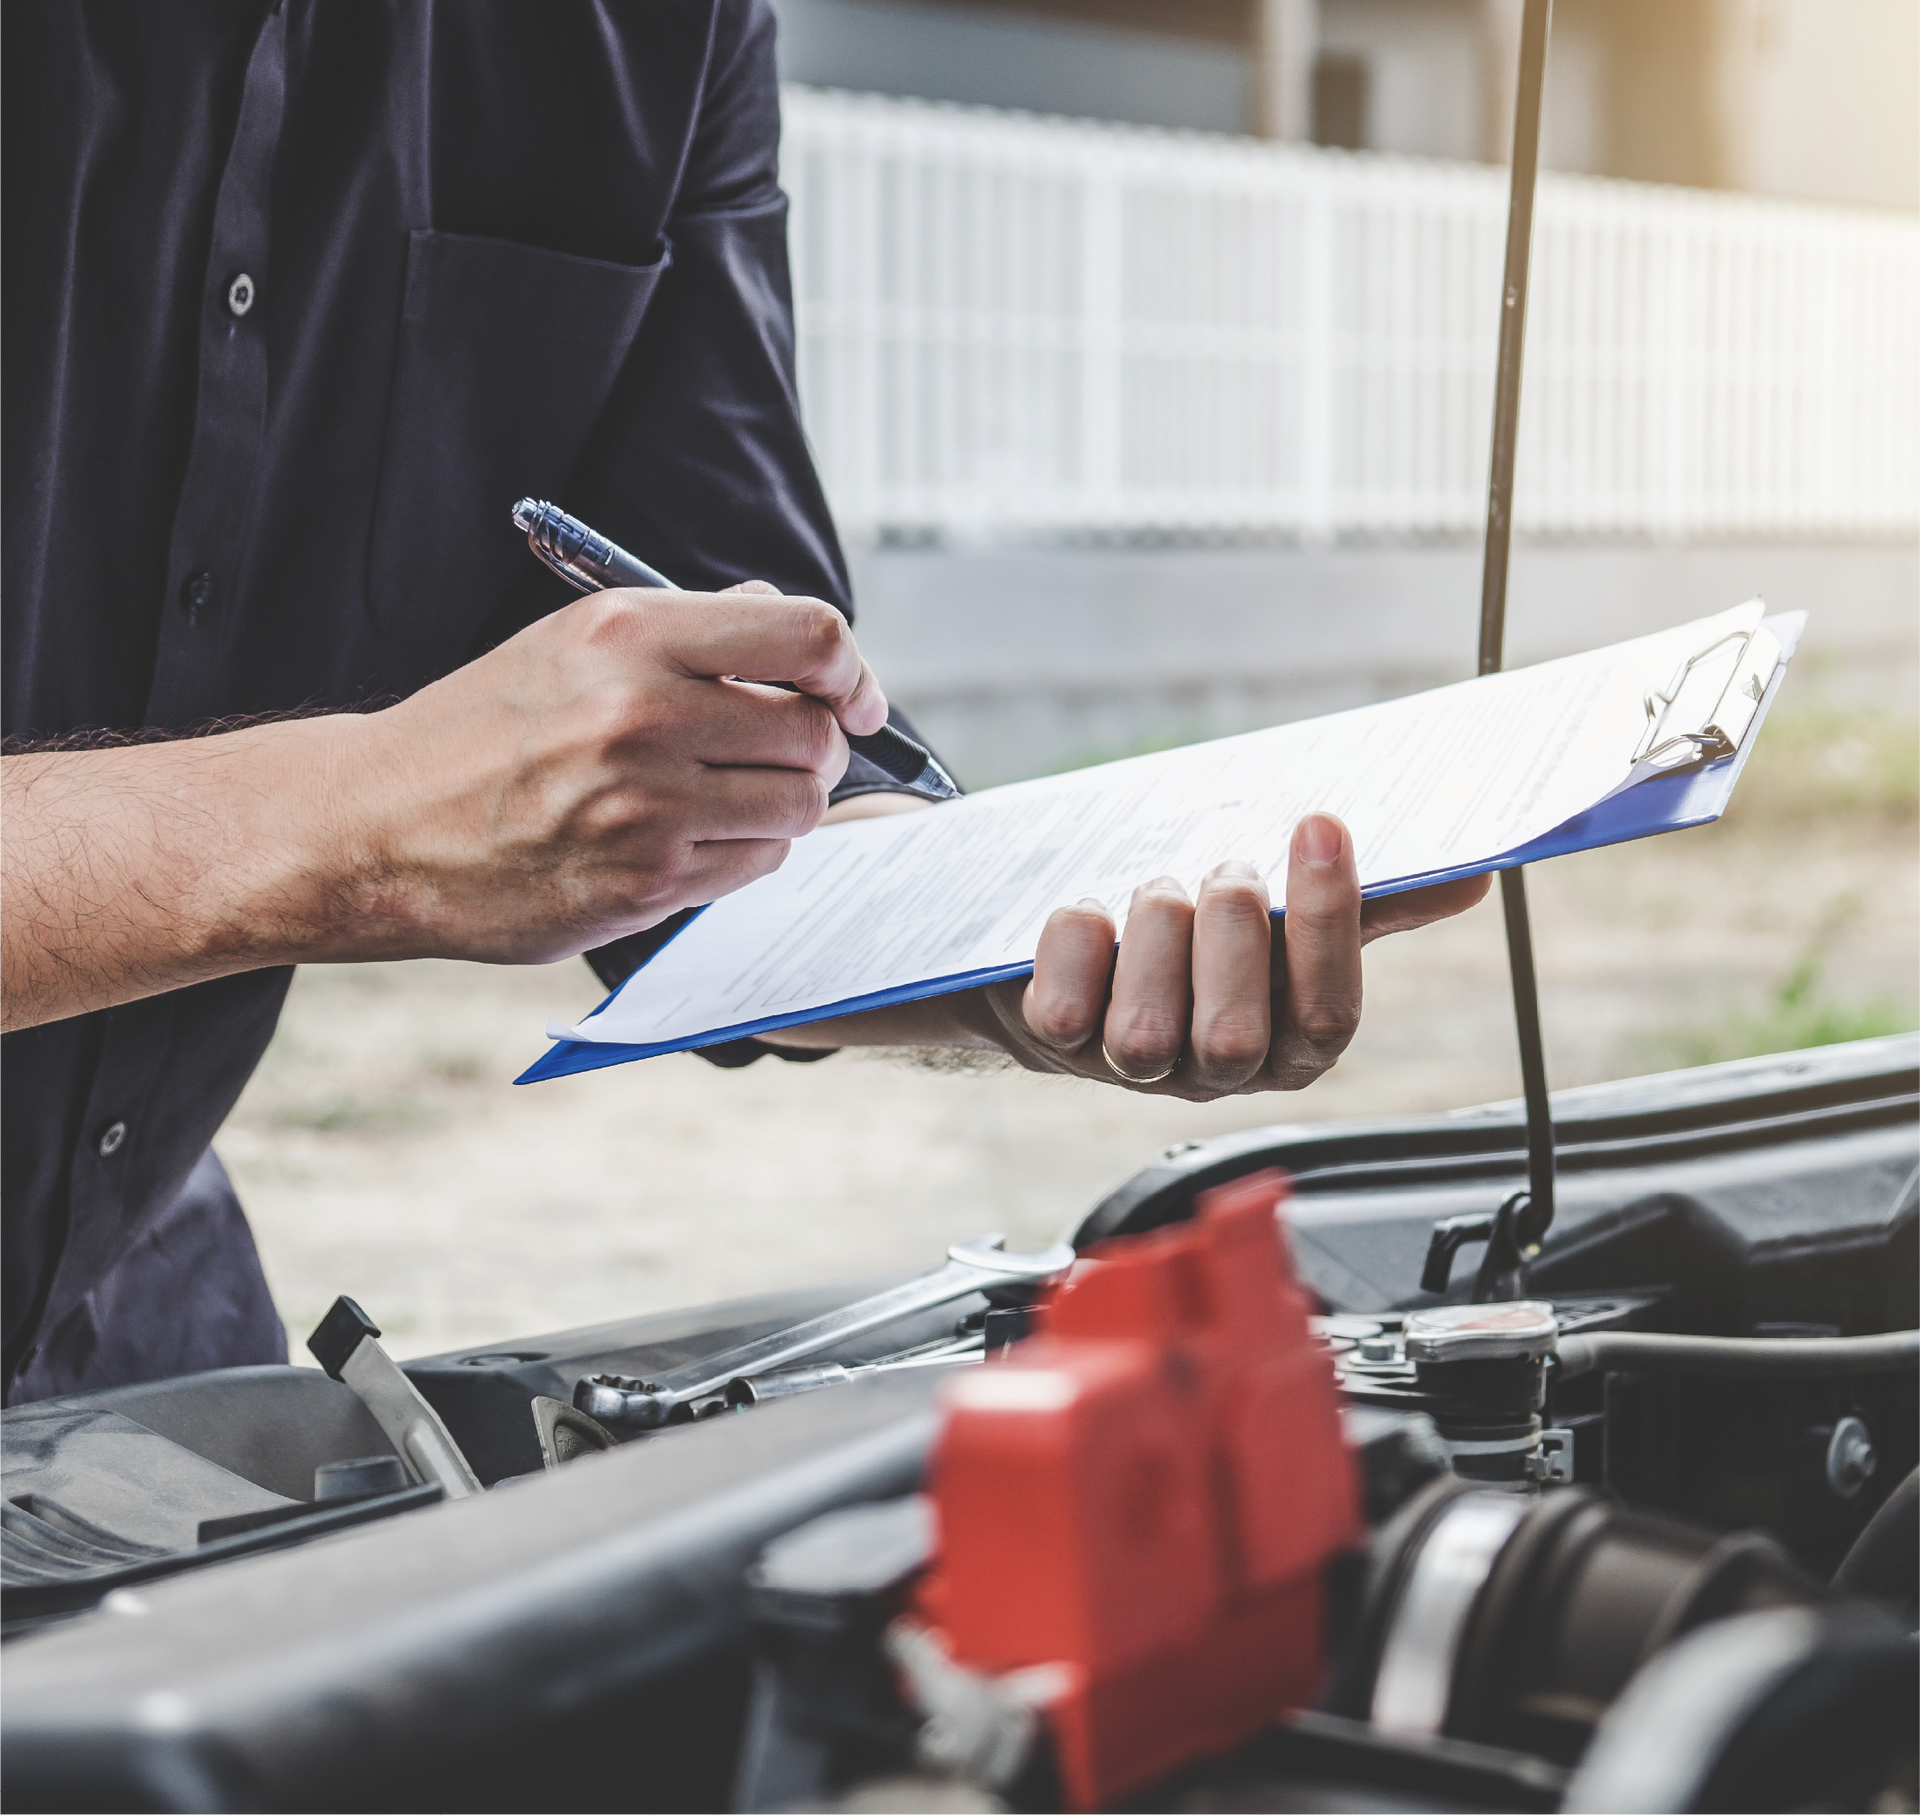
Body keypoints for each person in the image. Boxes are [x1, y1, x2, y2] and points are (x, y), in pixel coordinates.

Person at [0, 3, 1485, 1403]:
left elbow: (749, 769)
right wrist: (352, 819)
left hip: (133, 1312)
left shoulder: (663, 31)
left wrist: (1005, 922)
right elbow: (384, 805)